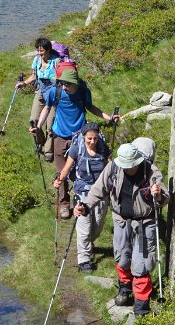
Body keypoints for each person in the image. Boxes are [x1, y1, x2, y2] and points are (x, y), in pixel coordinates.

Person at [79, 139, 169, 316]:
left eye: (130, 166)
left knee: (141, 264)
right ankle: (125, 290)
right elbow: (98, 189)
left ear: (137, 161)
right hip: (121, 220)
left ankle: (141, 305)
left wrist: (158, 195)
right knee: (122, 257)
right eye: (124, 166)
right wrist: (86, 206)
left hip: (144, 223)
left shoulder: (151, 171)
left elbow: (165, 198)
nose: (127, 169)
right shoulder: (114, 168)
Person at [30, 68, 119, 219]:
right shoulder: (55, 92)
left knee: (79, 170)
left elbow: (91, 107)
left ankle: (81, 196)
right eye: (63, 83)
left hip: (79, 137)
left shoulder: (83, 92)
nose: (64, 86)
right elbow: (47, 108)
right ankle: (64, 204)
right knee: (61, 171)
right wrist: (38, 126)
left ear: (75, 84)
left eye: (68, 84)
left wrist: (109, 117)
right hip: (59, 136)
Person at [53, 121, 110, 272]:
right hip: (82, 193)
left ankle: (87, 244)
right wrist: (59, 180)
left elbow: (110, 167)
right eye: (89, 139)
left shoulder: (103, 147)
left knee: (96, 228)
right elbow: (66, 168)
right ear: (84, 137)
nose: (92, 141)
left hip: (101, 193)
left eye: (95, 138)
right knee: (84, 228)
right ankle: (84, 260)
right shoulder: (77, 148)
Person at [16, 37, 59, 162]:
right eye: (38, 50)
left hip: (53, 93)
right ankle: (40, 142)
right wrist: (24, 83)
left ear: (48, 50)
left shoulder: (56, 61)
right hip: (41, 91)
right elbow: (34, 76)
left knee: (50, 123)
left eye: (42, 51)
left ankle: (49, 151)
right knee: (34, 120)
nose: (40, 53)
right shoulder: (37, 60)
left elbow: (60, 78)